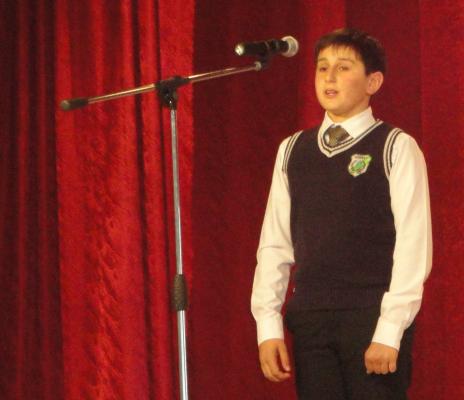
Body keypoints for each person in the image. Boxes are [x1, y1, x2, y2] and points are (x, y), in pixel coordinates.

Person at [251, 28, 432, 400]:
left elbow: (414, 244)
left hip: (370, 317)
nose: (329, 77)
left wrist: (390, 329)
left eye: (344, 67)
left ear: (373, 82)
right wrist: (267, 324)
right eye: (322, 67)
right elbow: (275, 244)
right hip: (312, 319)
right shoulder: (293, 150)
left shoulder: (395, 146)